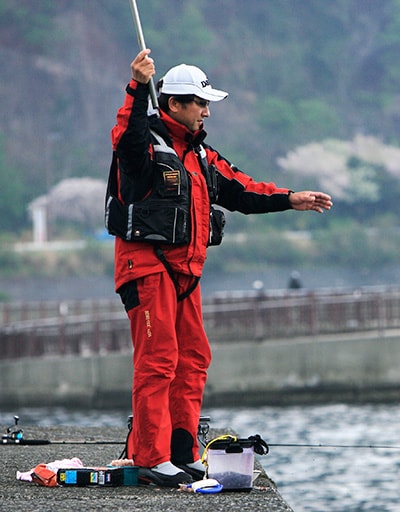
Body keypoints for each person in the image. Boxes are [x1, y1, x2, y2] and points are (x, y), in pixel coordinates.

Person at [107, 49, 332, 487]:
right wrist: (136, 85)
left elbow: (243, 190)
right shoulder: (143, 146)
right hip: (147, 267)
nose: (208, 111)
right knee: (158, 360)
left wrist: (290, 198)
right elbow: (126, 138)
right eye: (201, 103)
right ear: (174, 103)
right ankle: (151, 458)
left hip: (186, 274)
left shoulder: (201, 155)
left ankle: (181, 451)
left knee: (193, 357)